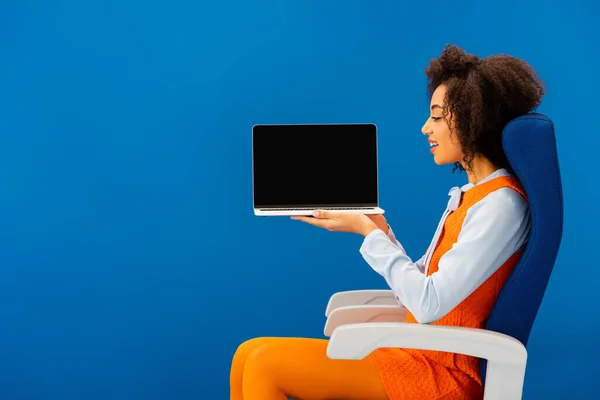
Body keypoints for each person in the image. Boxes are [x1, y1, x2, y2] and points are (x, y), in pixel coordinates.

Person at [230, 44, 545, 400]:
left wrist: (368, 233)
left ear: (475, 117)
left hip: (440, 375)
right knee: (246, 354)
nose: (426, 127)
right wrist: (381, 231)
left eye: (438, 117)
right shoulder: (473, 196)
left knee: (262, 363)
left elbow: (427, 304)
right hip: (417, 356)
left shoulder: (500, 204)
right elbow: (421, 291)